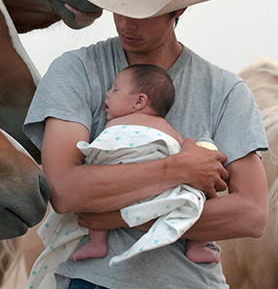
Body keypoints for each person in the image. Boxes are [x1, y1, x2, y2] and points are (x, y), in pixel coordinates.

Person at [23, 0, 268, 289]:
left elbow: (250, 213)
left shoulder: (225, 91)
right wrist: (178, 169)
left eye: (143, 9)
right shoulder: (76, 71)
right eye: (119, 3)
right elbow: (64, 190)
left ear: (179, 9)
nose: (124, 20)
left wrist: (114, 218)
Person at [70, 63, 219, 265]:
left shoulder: (116, 124)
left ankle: (97, 242)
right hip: (155, 190)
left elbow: (186, 160)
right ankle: (197, 246)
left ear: (139, 101)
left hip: (126, 185)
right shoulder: (169, 129)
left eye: (115, 90)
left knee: (97, 195)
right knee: (194, 200)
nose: (107, 94)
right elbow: (185, 150)